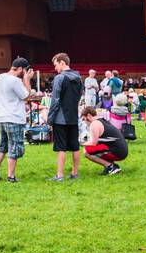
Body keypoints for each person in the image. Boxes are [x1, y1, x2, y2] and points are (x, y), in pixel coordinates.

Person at [0, 57, 36, 183]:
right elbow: (26, 96)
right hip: (14, 117)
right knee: (15, 147)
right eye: (25, 71)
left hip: (0, 117)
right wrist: (27, 80)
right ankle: (11, 176)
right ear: (20, 69)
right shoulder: (15, 81)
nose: (25, 73)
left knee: (1, 146)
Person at [47, 52, 83, 181]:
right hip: (73, 116)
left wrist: (50, 118)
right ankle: (74, 173)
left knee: (60, 147)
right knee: (75, 146)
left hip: (60, 118)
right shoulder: (78, 77)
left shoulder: (59, 78)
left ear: (62, 63)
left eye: (56, 64)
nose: (55, 68)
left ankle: (60, 175)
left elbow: (55, 100)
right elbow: (79, 96)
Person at [81, 105, 129, 175]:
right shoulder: (102, 120)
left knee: (87, 151)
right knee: (98, 148)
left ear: (88, 115)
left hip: (118, 152)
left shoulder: (94, 124)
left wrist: (79, 143)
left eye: (84, 119)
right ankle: (113, 166)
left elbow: (93, 143)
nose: (84, 121)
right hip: (122, 149)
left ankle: (110, 166)